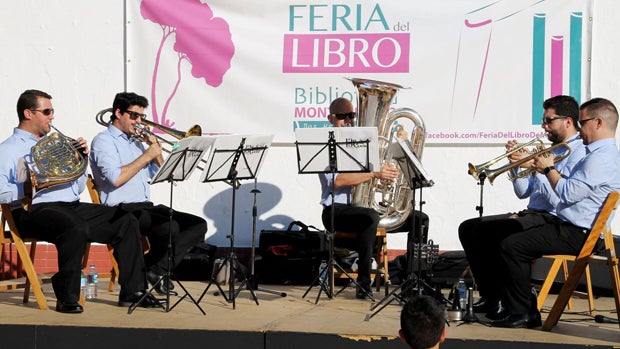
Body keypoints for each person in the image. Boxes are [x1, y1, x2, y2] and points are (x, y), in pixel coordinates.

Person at [0, 89, 161, 313]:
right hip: (31, 209)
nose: (52, 117)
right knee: (75, 227)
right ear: (28, 113)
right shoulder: (7, 150)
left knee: (124, 220)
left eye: (52, 111)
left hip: (69, 206)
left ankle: (133, 291)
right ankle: (67, 296)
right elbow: (1, 193)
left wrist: (81, 160)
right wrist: (26, 189)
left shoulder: (57, 144)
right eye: (47, 112)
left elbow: (75, 188)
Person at [493, 97, 620, 328]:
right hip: (569, 225)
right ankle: (515, 307)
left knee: (512, 244)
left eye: (583, 123)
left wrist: (546, 168)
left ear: (599, 122)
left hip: (580, 233)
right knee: (506, 236)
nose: (580, 129)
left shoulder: (600, 158)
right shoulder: (599, 154)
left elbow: (567, 194)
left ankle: (524, 312)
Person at [458, 95, 586, 320]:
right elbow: (523, 191)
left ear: (568, 121)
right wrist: (513, 164)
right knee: (468, 228)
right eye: (543, 120)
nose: (544, 126)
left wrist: (539, 169)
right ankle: (491, 297)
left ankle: (516, 305)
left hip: (551, 218)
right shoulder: (553, 150)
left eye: (549, 120)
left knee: (495, 235)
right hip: (532, 213)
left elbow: (560, 200)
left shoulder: (577, 153)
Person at [89, 92, 207, 296]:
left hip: (145, 207)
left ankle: (154, 270)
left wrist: (155, 150)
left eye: (141, 116)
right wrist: (146, 155)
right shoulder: (103, 141)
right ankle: (152, 272)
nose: (139, 121)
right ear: (118, 113)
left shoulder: (136, 142)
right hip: (121, 210)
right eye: (134, 116)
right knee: (169, 227)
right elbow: (116, 178)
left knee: (197, 225)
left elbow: (163, 174)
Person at [319, 97, 429, 299]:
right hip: (336, 211)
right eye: (342, 117)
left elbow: (376, 178)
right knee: (369, 217)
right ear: (330, 119)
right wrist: (374, 174)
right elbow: (338, 181)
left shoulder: (363, 145)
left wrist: (401, 144)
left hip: (365, 211)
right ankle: (363, 283)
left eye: (351, 115)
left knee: (419, 219)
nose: (348, 120)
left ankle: (411, 281)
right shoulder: (328, 146)